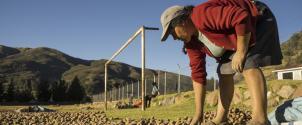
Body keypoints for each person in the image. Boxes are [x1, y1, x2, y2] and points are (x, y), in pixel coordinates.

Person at [160, 0, 282, 125]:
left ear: (181, 21)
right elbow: (198, 75)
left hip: (257, 18)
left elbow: (241, 17)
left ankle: (260, 119)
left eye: (172, 32)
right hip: (236, 36)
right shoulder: (191, 43)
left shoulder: (201, 15)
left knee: (247, 62)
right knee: (223, 71)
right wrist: (198, 113)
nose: (174, 38)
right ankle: (221, 119)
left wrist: (241, 52)